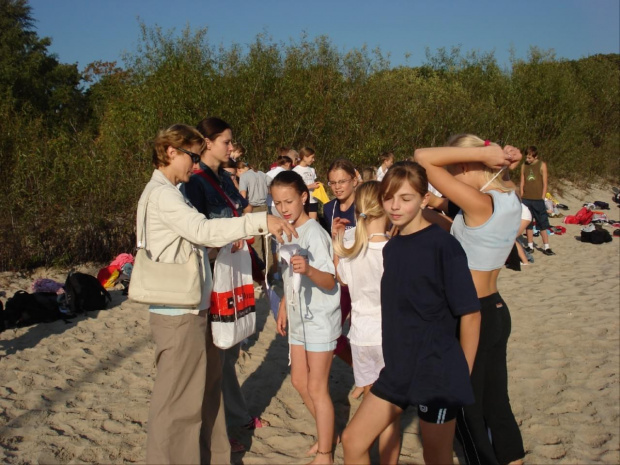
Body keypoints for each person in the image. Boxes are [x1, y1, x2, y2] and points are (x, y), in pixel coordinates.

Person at [139, 124, 296, 464]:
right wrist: (258, 222)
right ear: (170, 152)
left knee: (203, 393)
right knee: (178, 405)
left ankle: (214, 455)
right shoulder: (164, 194)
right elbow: (202, 230)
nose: (194, 166)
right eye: (191, 157)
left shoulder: (170, 191)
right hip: (177, 310)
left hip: (191, 305)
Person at [342, 161, 481, 465]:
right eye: (389, 197)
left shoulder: (443, 247)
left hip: (437, 374)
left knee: (435, 457)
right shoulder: (393, 247)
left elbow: (470, 313)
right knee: (353, 441)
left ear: (424, 199)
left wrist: (463, 373)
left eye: (405, 198)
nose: (395, 206)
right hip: (397, 371)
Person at [415, 135, 526, 465]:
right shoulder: (508, 199)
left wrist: (485, 153)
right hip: (495, 309)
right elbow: (471, 240)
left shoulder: (480, 203)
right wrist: (432, 214)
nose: (450, 179)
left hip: (469, 316)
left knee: (466, 411)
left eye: (453, 170)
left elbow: (422, 156)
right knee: (496, 405)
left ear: (465, 165)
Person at [182, 117, 268, 453]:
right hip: (212, 275)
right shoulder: (195, 181)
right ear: (206, 142)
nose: (232, 148)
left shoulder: (222, 177)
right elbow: (198, 233)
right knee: (218, 354)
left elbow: (241, 210)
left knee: (229, 349)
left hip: (233, 271)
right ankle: (225, 425)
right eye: (226, 142)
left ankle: (234, 417)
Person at [272, 170, 341, 465]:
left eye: (289, 201)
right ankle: (331, 434)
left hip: (320, 317)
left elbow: (331, 281)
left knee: (317, 386)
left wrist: (309, 270)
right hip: (299, 316)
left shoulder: (315, 233)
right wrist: (285, 304)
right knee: (300, 381)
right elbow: (288, 276)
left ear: (304, 197)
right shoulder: (283, 231)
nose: (284, 208)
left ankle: (325, 453)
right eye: (277, 203)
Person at [333, 181, 400, 460]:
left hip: (360, 336)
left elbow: (342, 279)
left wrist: (338, 241)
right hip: (389, 337)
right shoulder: (394, 249)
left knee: (373, 405)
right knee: (391, 417)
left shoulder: (350, 244)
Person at [323, 159, 358, 377]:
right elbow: (331, 245)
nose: (337, 186)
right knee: (333, 334)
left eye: (342, 181)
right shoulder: (329, 208)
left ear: (354, 180)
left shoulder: (366, 205)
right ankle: (359, 368)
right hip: (341, 279)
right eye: (332, 182)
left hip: (367, 280)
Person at [520, 146, 555, 256]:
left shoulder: (541, 165)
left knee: (542, 223)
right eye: (527, 157)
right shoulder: (523, 166)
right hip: (526, 199)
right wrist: (521, 195)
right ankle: (530, 246)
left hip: (538, 199)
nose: (528, 159)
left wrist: (542, 197)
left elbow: (545, 182)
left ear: (535, 156)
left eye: (530, 157)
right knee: (528, 223)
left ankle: (546, 247)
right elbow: (522, 182)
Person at [238, 161, 270, 263]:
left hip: (253, 209)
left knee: (256, 243)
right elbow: (273, 185)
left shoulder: (244, 176)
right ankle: (269, 271)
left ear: (240, 169)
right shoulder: (262, 174)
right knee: (267, 240)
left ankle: (260, 273)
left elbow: (243, 195)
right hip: (264, 208)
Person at [293, 147, 321, 220]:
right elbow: (295, 187)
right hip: (303, 201)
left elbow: (313, 183)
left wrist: (318, 185)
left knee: (313, 222)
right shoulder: (295, 170)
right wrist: (310, 186)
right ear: (305, 157)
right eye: (312, 157)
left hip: (313, 200)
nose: (313, 160)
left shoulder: (312, 169)